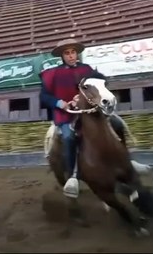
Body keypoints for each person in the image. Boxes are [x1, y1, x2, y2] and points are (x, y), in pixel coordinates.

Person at [39, 39, 96, 196]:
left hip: (89, 111)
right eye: (67, 53)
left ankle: (126, 163)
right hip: (66, 115)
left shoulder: (88, 69)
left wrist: (83, 98)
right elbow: (43, 97)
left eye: (73, 52)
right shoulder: (52, 74)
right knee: (69, 137)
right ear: (62, 56)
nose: (71, 56)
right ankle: (72, 176)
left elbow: (98, 87)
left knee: (115, 124)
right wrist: (60, 103)